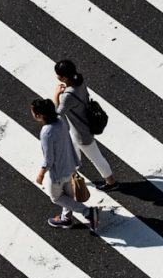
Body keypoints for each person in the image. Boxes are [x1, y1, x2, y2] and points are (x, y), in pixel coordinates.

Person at [30, 98, 101, 233]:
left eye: (33, 112)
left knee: (56, 197)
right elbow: (60, 115)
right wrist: (56, 97)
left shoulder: (46, 132)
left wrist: (41, 174)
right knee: (68, 196)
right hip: (70, 165)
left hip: (58, 172)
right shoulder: (61, 120)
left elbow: (49, 159)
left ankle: (88, 212)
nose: (33, 114)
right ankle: (65, 218)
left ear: (40, 115)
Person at [53, 60, 118, 192]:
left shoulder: (67, 96)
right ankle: (72, 169)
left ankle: (111, 182)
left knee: (96, 158)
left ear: (64, 77)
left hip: (81, 132)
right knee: (72, 146)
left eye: (58, 75)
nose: (57, 77)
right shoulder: (79, 82)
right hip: (83, 125)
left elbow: (57, 114)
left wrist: (57, 95)